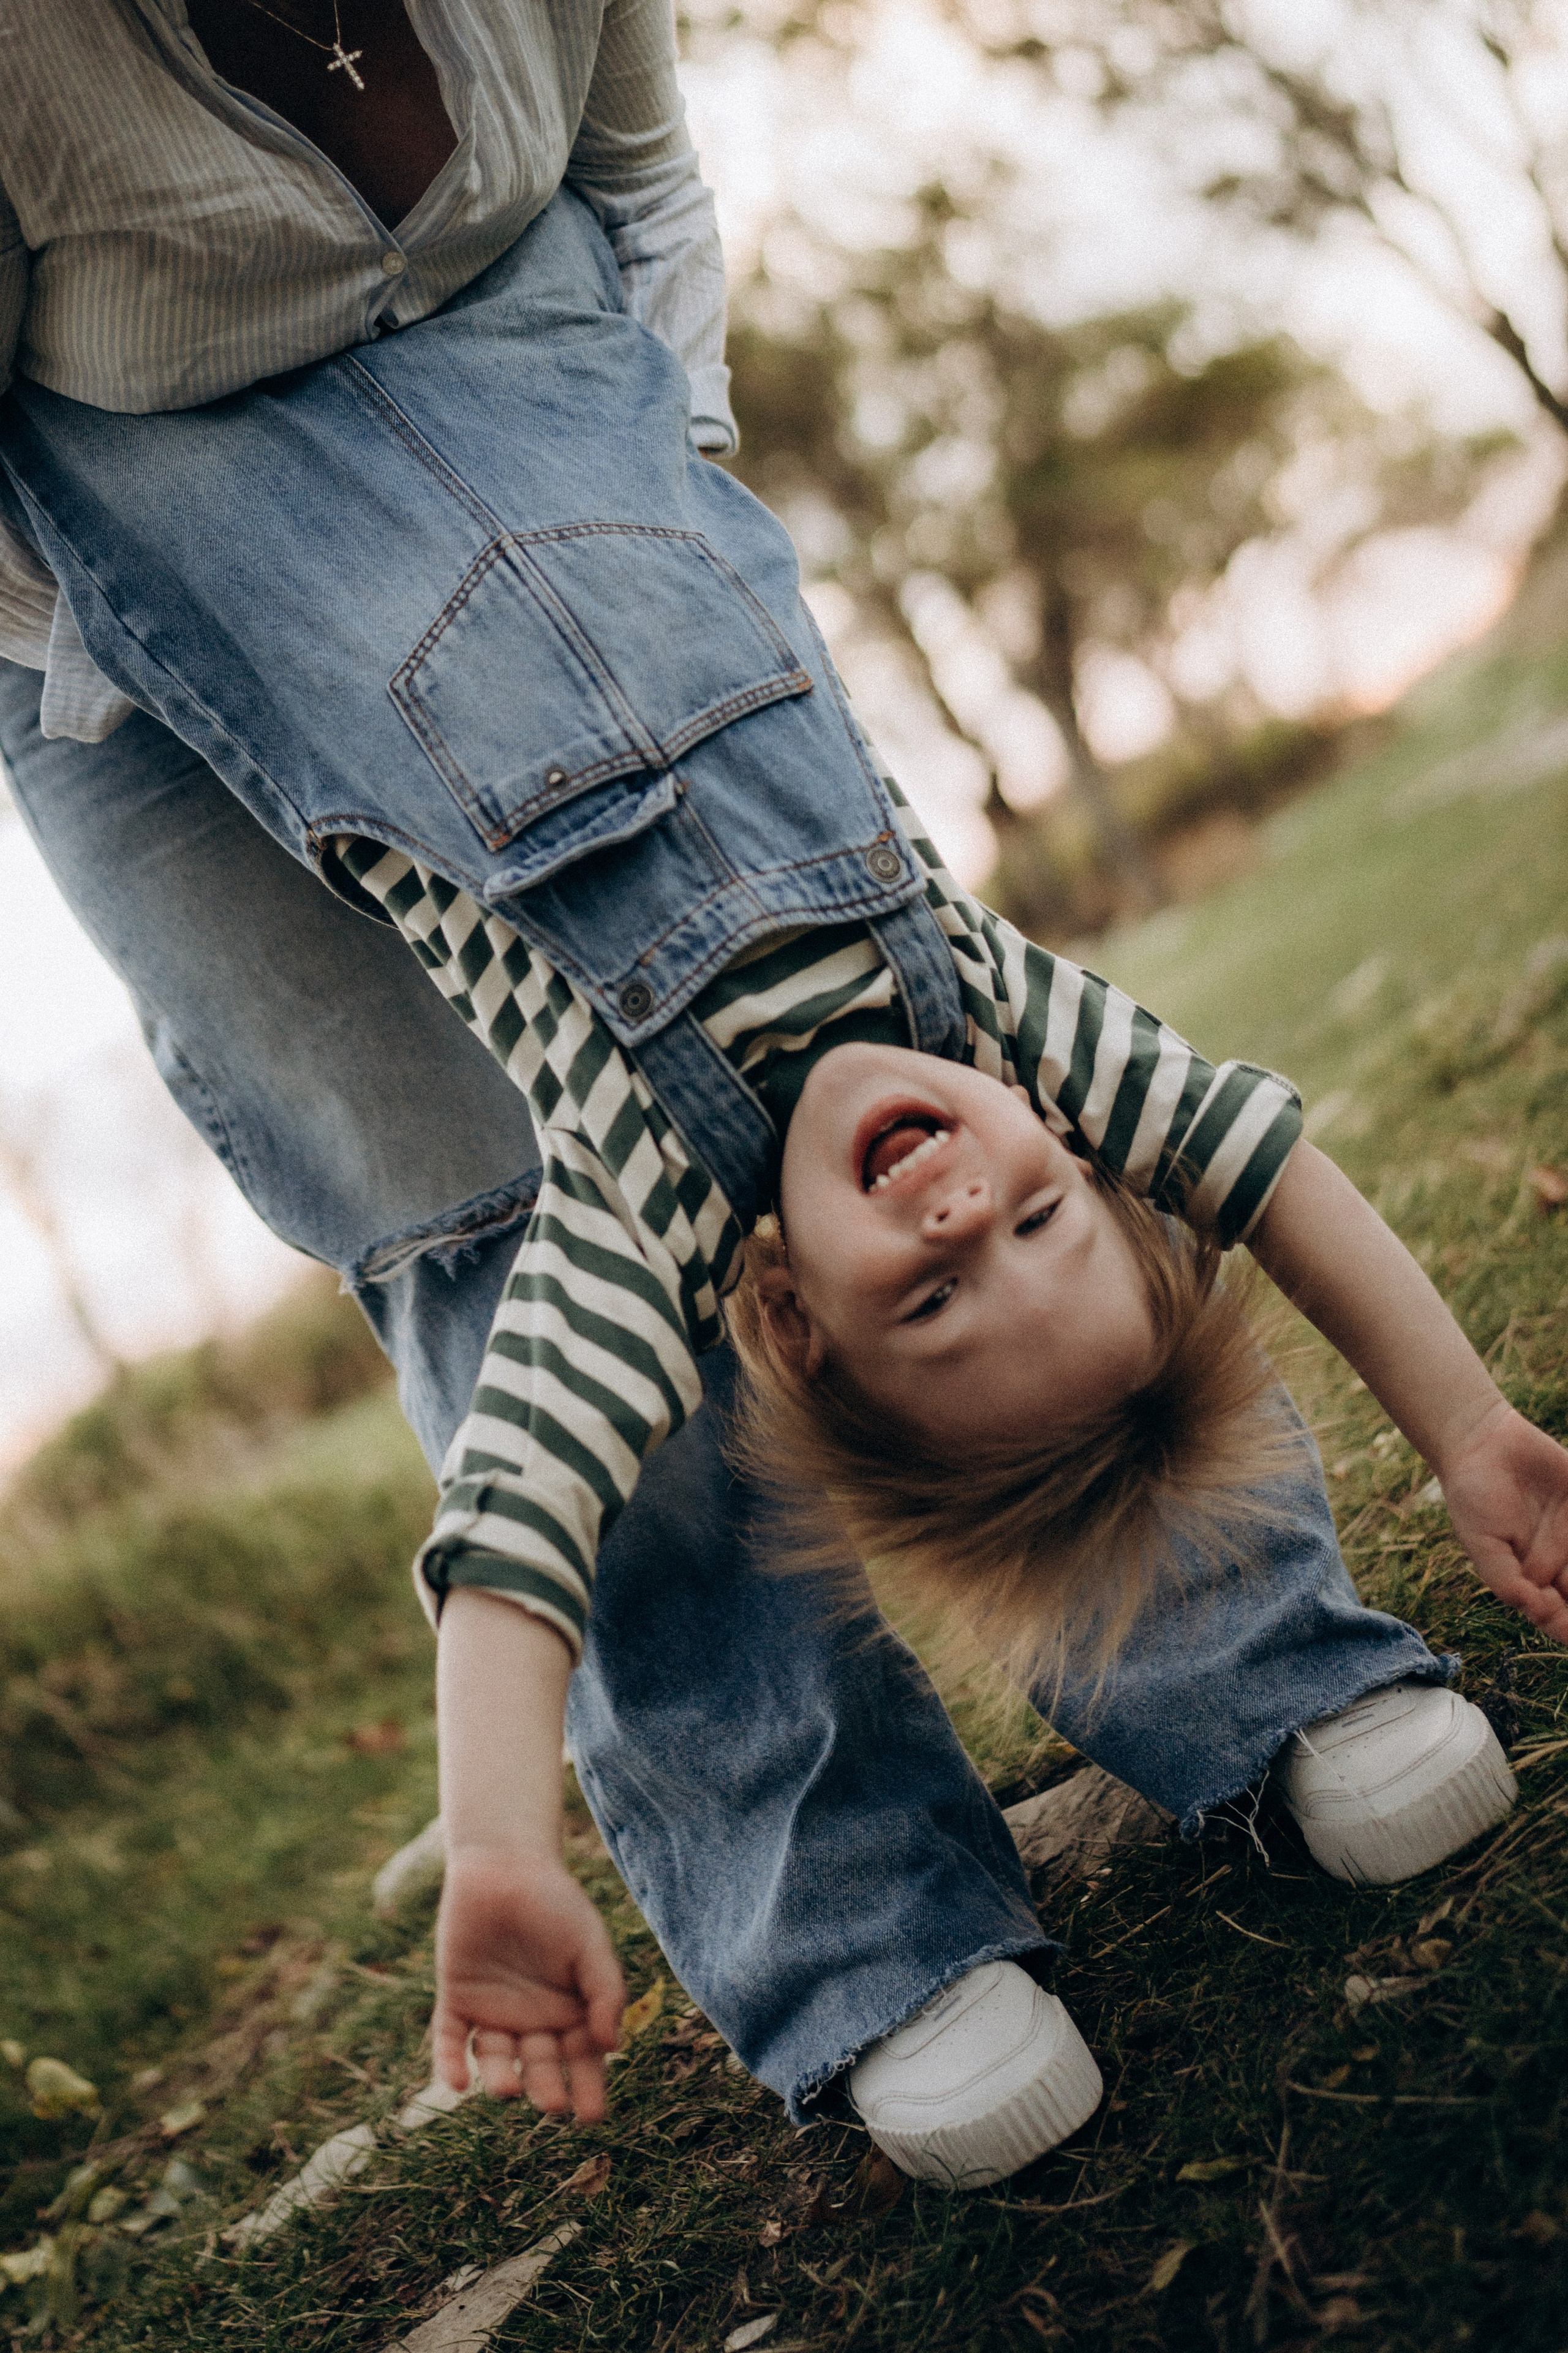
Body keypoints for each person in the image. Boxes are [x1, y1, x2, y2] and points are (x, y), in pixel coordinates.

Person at [1, 2, 1562, 2193]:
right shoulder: (1000, 1027)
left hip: (272, 545)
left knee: (493, 1222)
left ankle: (1239, 1672)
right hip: (179, 523)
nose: (965, 1209)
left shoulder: (640, 1207)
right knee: (423, 1175)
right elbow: (1265, 1156)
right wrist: (1473, 1430)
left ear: (794, 1319)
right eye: (1046, 1217)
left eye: (936, 1297)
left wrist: (506, 1838)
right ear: (1079, 1165)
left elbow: (520, 1530)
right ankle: (860, 1917)